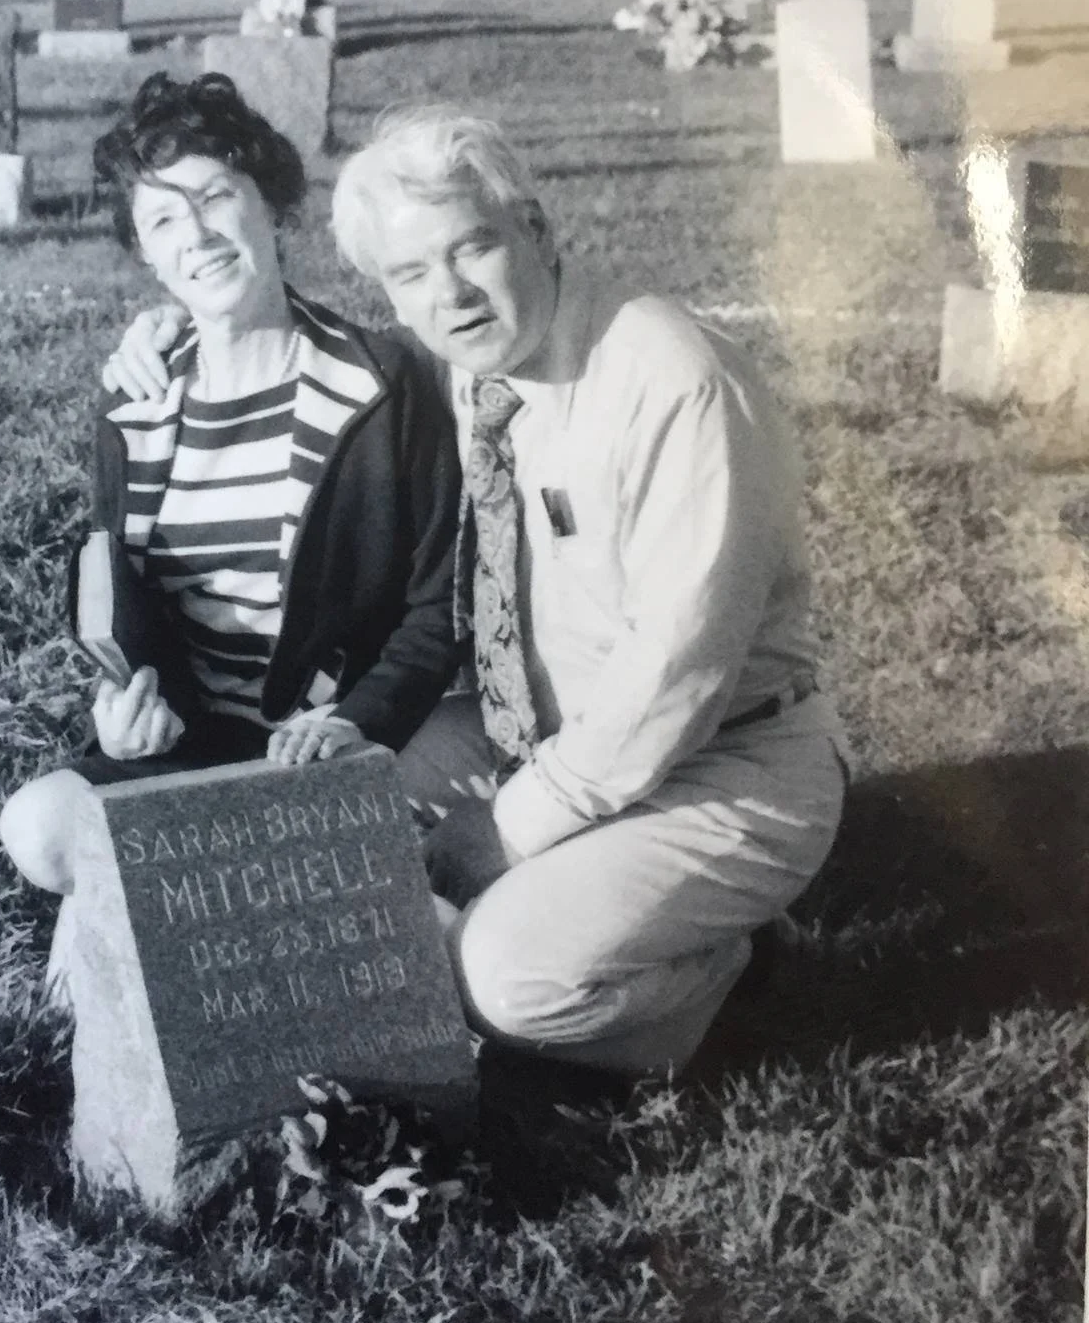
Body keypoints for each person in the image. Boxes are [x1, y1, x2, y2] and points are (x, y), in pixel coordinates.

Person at [103, 103, 847, 1074]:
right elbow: (303, 346)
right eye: (409, 274)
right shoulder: (463, 368)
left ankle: (717, 974)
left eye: (471, 248)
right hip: (539, 731)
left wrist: (509, 825)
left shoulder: (668, 377)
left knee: (497, 978)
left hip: (727, 758)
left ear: (533, 229)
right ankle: (578, 910)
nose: (447, 293)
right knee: (330, 803)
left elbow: (679, 675)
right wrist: (168, 327)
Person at [0, 73, 465, 908]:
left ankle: (186, 902)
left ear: (271, 202)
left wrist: (354, 720)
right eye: (165, 219)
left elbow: (438, 612)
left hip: (335, 745)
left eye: (216, 197)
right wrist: (125, 713)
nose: (199, 236)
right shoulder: (131, 408)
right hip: (196, 746)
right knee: (38, 826)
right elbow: (124, 613)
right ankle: (264, 889)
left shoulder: (383, 385)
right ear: (144, 250)